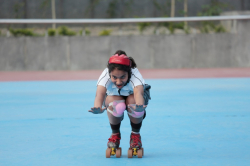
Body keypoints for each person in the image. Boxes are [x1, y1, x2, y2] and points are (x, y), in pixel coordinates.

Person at [88, 50, 151, 155]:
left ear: (129, 72)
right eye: (114, 77)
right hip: (115, 97)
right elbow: (100, 94)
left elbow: (138, 93)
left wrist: (139, 106)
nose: (118, 82)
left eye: (122, 77)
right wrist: (97, 106)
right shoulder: (106, 74)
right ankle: (115, 135)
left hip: (134, 97)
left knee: (133, 102)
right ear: (110, 73)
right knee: (117, 105)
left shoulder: (135, 75)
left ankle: (135, 135)